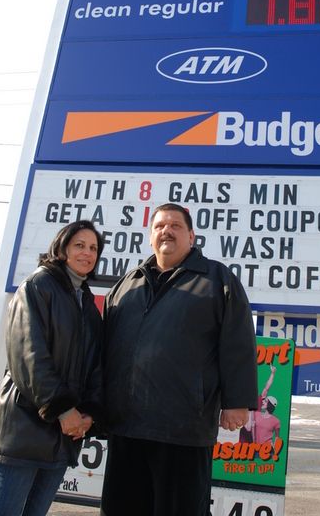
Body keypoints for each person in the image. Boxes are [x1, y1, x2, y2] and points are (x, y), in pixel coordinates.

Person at [101, 203, 258, 516]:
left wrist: (236, 401)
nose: (166, 231)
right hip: (126, 425)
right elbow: (105, 348)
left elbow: (238, 341)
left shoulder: (218, 280)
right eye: (159, 226)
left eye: (175, 226)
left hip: (183, 427)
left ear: (191, 235)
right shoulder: (127, 283)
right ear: (150, 237)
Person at [0, 220, 104, 516]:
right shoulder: (38, 285)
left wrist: (89, 414)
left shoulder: (86, 302)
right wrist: (62, 409)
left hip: (64, 437)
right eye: (79, 245)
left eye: (93, 248)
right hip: (25, 428)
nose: (87, 253)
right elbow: (28, 354)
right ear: (62, 248)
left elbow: (93, 364)